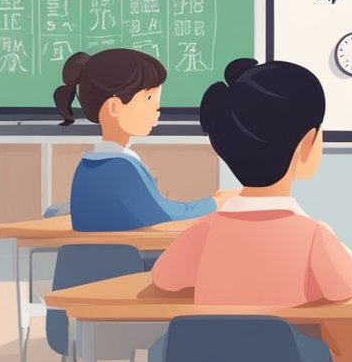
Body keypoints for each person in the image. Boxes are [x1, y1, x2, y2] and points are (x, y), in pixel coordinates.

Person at [151, 59, 352, 362]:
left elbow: (163, 280)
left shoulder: (203, 233)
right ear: (307, 145)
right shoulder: (313, 236)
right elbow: (351, 293)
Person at [54, 49, 237, 231]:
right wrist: (215, 202)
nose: (157, 108)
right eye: (149, 98)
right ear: (115, 107)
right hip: (125, 259)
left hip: (87, 258)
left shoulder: (86, 165)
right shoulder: (120, 167)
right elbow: (163, 213)